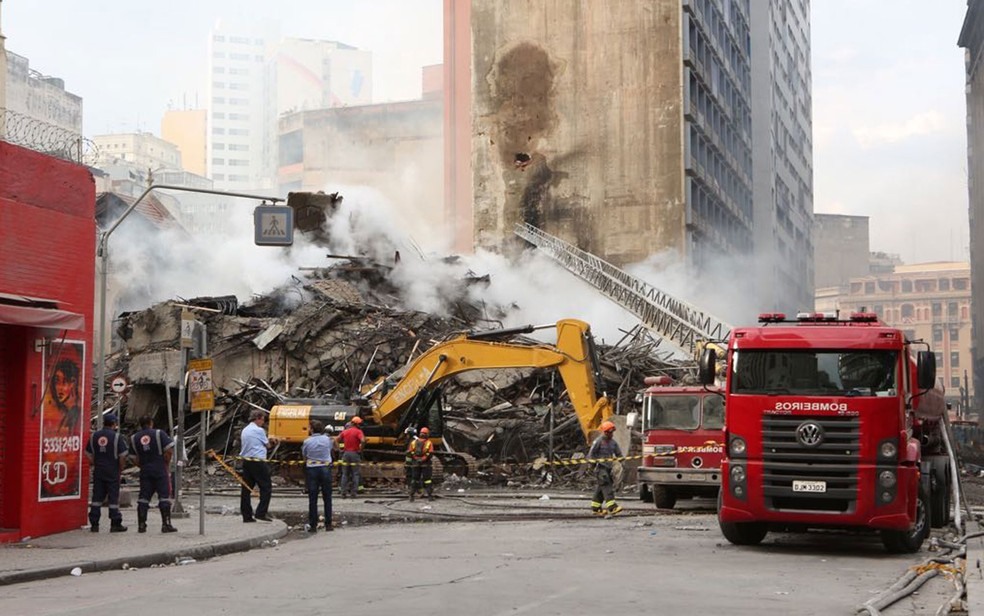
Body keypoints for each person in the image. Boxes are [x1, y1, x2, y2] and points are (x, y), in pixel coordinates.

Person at [129, 415, 177, 533]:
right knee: (164, 497)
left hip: (145, 470)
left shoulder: (134, 438)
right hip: (160, 469)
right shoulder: (159, 434)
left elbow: (133, 458)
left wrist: (142, 465)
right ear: (151, 423)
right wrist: (166, 462)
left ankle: (141, 525)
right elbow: (169, 450)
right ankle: (166, 524)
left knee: (144, 498)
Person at [85, 413, 129, 533]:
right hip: (112, 471)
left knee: (97, 497)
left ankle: (94, 523)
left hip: (99, 471)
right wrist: (120, 468)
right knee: (113, 498)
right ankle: (115, 523)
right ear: (114, 424)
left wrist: (95, 463)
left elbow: (88, 453)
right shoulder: (116, 437)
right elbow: (123, 456)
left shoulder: (94, 436)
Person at [240, 410, 279, 522]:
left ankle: (246, 515)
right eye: (262, 419)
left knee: (246, 489)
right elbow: (267, 445)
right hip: (258, 461)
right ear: (257, 418)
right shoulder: (259, 430)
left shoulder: (245, 430)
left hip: (247, 461)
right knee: (266, 487)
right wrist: (273, 442)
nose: (263, 422)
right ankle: (261, 512)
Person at [301, 420, 335, 533]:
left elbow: (304, 456)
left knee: (312, 498)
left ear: (312, 429)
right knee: (327, 497)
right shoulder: (327, 440)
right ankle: (328, 524)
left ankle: (313, 525)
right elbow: (331, 450)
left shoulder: (307, 441)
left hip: (312, 469)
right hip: (325, 468)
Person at [588, 421, 623, 516]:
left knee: (601, 487)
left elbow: (619, 454)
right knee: (606, 486)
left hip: (608, 468)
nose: (611, 434)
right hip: (600, 468)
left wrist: (621, 461)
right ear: (605, 432)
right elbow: (591, 454)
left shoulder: (613, 443)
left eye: (612, 432)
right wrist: (591, 466)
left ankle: (596, 507)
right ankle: (612, 507)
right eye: (609, 432)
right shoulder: (598, 441)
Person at [338, 416, 365, 498]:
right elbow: (363, 440)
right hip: (354, 454)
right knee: (355, 474)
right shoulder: (358, 432)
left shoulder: (345, 432)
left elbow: (336, 440)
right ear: (356, 424)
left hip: (346, 454)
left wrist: (339, 450)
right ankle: (353, 493)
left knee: (345, 474)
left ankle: (343, 493)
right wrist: (361, 449)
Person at [407, 427, 435, 502]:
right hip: (425, 464)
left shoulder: (413, 442)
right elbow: (430, 453)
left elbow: (410, 452)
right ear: (427, 434)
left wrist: (416, 458)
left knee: (415, 479)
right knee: (427, 480)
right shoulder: (429, 442)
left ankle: (411, 496)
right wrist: (423, 458)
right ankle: (430, 496)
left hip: (415, 464)